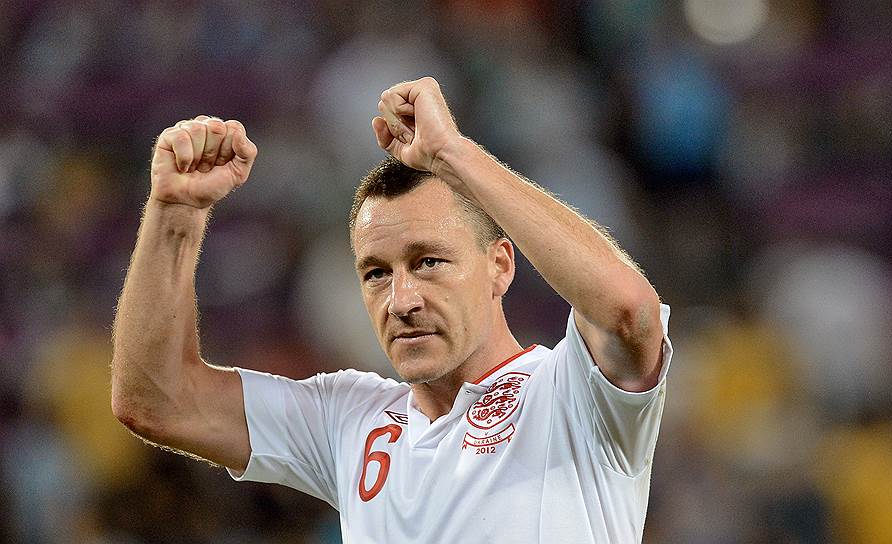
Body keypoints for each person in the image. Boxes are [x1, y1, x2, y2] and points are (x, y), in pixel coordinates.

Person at [111, 77, 673, 543]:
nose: (402, 301)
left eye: (428, 262)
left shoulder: (575, 395)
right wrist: (174, 213)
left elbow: (630, 312)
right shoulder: (348, 421)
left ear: (500, 265)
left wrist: (453, 154)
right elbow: (157, 400)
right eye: (377, 273)